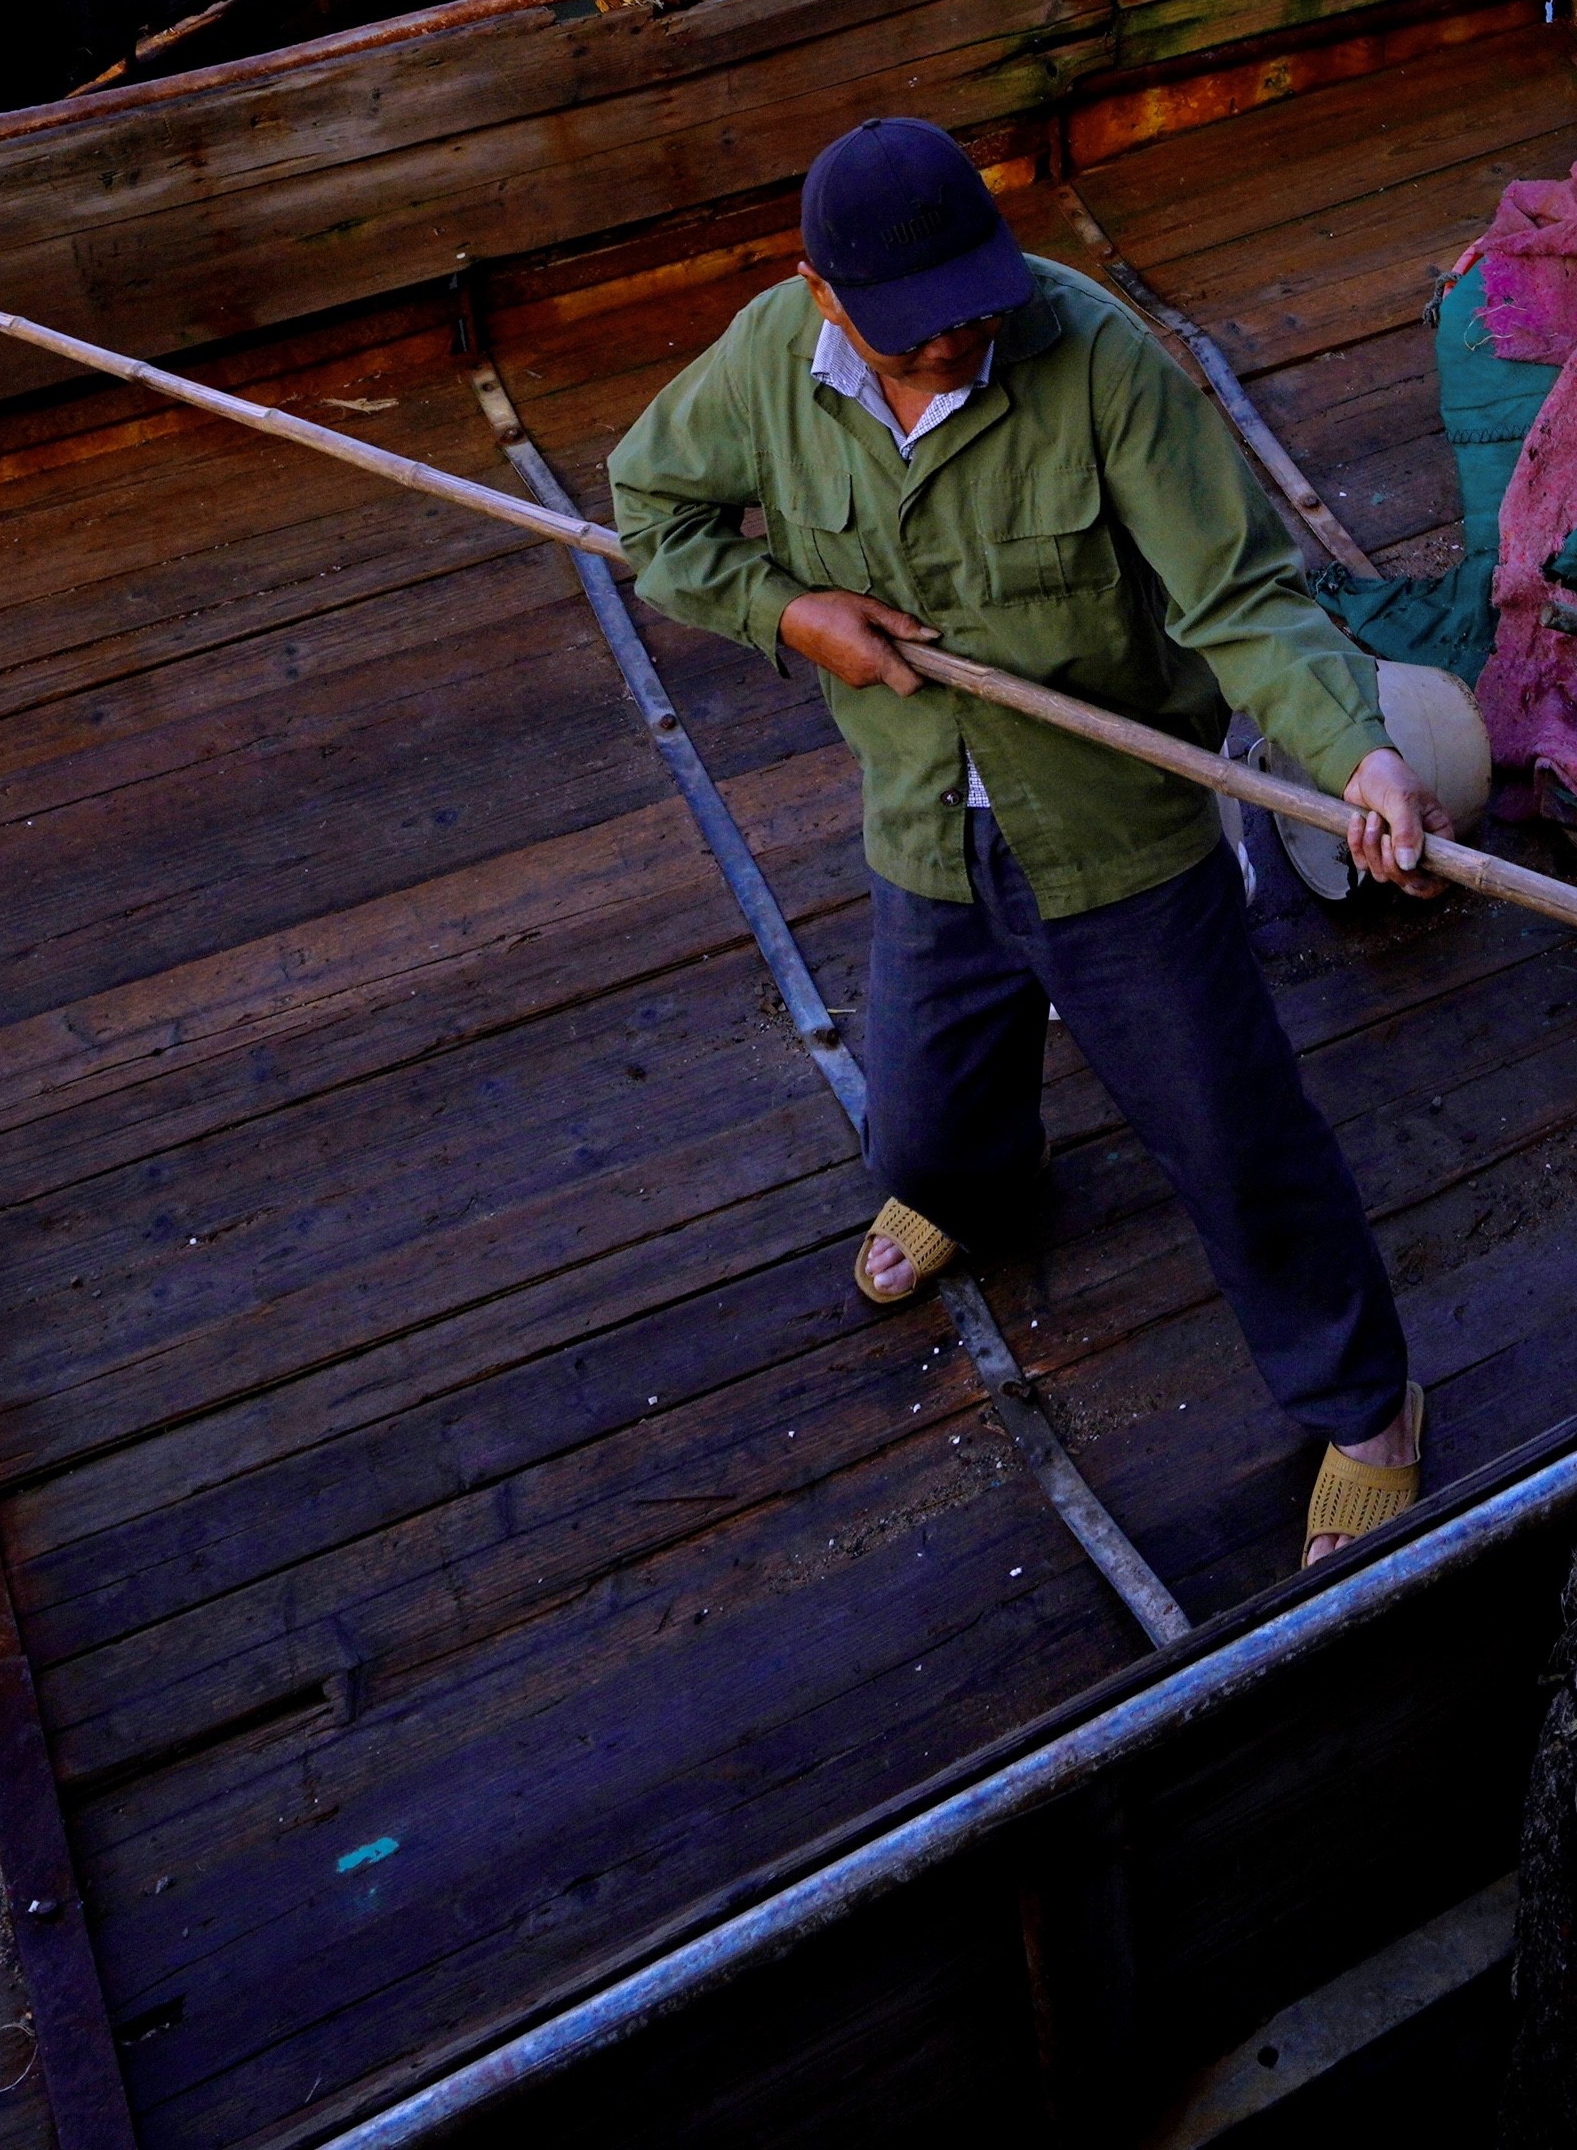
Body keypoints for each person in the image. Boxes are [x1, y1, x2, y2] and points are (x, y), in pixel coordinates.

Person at [614, 115, 1452, 1560]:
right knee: (920, 1134)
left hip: (1114, 836)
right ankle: (975, 1188)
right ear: (820, 294)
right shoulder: (762, 358)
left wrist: (1360, 753)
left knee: (1234, 1137)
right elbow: (650, 513)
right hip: (923, 822)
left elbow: (1244, 599)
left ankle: (1370, 1406)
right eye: (917, 327)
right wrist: (785, 614)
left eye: (977, 300)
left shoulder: (1097, 356)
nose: (961, 340)